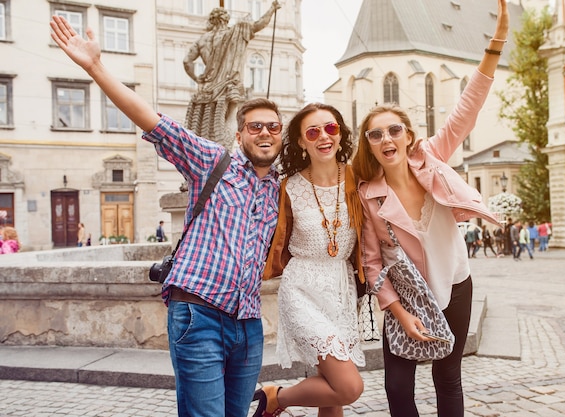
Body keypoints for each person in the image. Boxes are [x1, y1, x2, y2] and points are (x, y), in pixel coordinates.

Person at [50, 16, 283, 417]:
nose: (265, 133)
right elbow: (154, 121)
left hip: (248, 323)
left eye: (273, 127)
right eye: (255, 126)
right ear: (240, 134)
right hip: (199, 314)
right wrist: (95, 68)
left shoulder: (281, 188)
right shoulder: (214, 160)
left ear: (281, 135)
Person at [351, 1, 508, 415]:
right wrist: (399, 314)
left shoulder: (433, 158)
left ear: (407, 136)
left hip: (456, 284)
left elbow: (466, 110)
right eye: (375, 134)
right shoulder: (369, 194)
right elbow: (371, 263)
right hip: (406, 295)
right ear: (368, 143)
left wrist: (494, 47)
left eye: (394, 130)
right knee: (397, 387)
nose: (386, 139)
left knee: (448, 378)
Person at [253, 103, 365, 416]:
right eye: (313, 132)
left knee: (330, 387)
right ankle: (277, 396)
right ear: (302, 141)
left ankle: (276, 397)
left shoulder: (359, 180)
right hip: (301, 289)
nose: (323, 137)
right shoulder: (288, 186)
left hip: (341, 289)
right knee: (348, 386)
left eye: (331, 128)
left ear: (340, 133)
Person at [183, 1, 281, 149]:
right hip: (228, 86)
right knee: (230, 119)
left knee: (206, 125)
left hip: (207, 88)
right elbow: (259, 24)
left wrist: (197, 79)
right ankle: (225, 153)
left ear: (211, 21)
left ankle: (207, 151)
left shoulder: (202, 40)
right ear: (226, 20)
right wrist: (272, 9)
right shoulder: (236, 31)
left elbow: (187, 62)